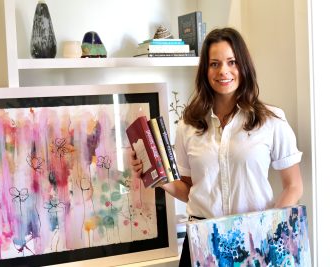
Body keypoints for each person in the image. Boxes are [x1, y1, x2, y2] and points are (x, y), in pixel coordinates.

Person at [130, 27, 303, 266]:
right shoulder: (188, 125)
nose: (223, 71)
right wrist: (161, 179)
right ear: (205, 70)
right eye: (214, 64)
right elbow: (189, 189)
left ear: (244, 66)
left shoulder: (271, 120)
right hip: (202, 243)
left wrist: (267, 228)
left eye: (232, 62)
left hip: (254, 242)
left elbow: (293, 186)